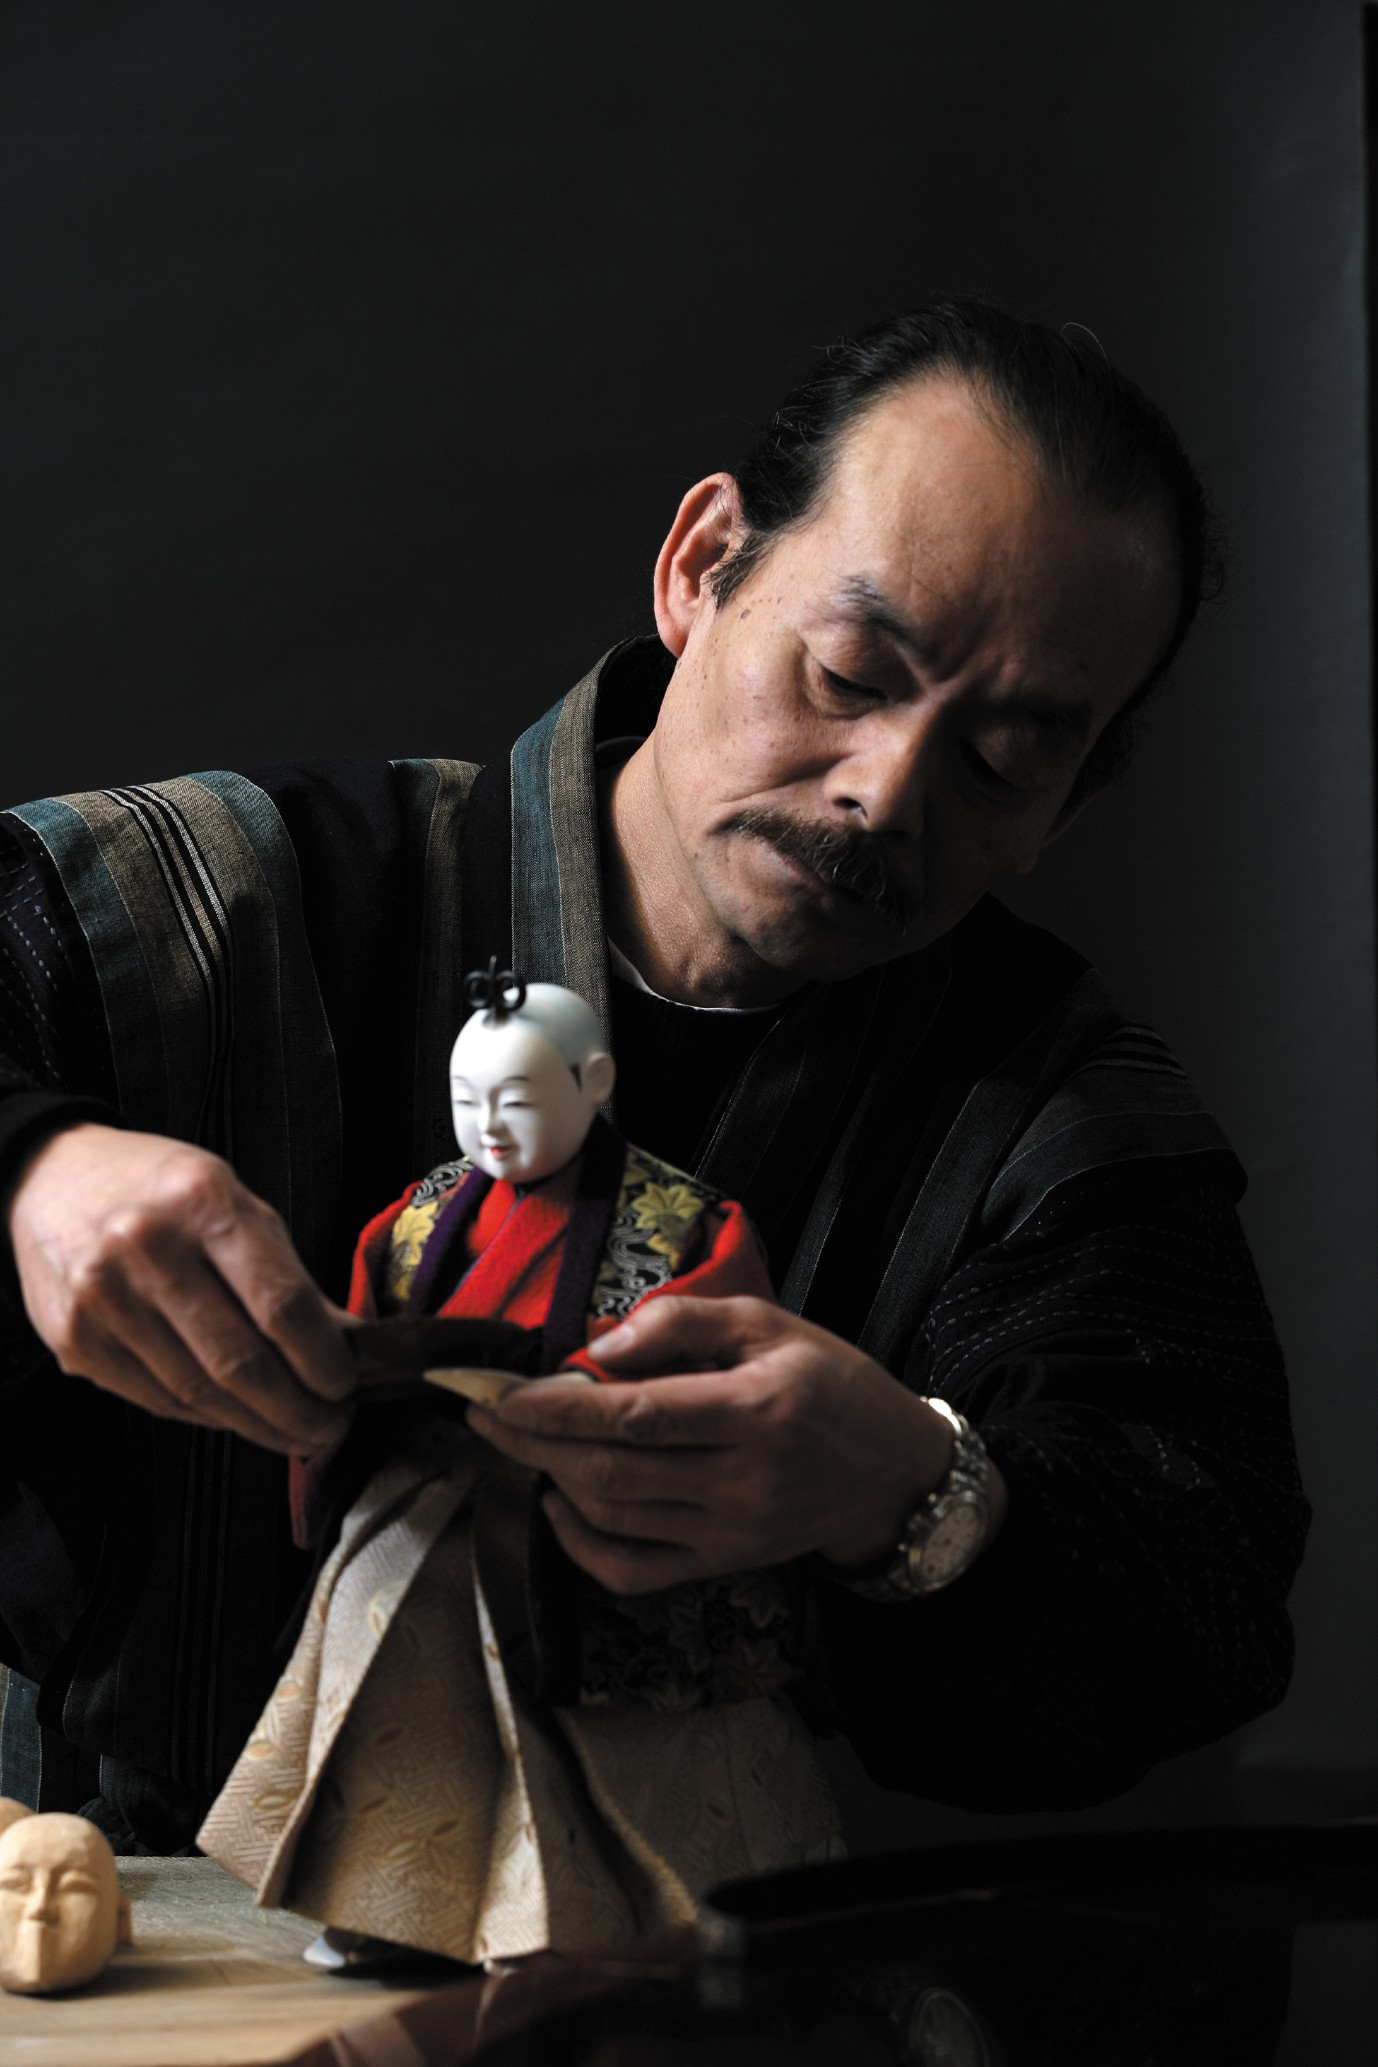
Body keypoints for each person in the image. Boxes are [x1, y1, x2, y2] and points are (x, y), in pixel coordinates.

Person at [0, 300, 1308, 1855]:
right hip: (114, 1917)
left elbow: (1201, 1605)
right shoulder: (225, 902)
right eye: (850, 670)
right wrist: (32, 1168)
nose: (885, 793)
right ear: (701, 568)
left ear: (1068, 806)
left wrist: (910, 1493)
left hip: (690, 1950)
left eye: (1004, 760)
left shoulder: (1047, 1115)